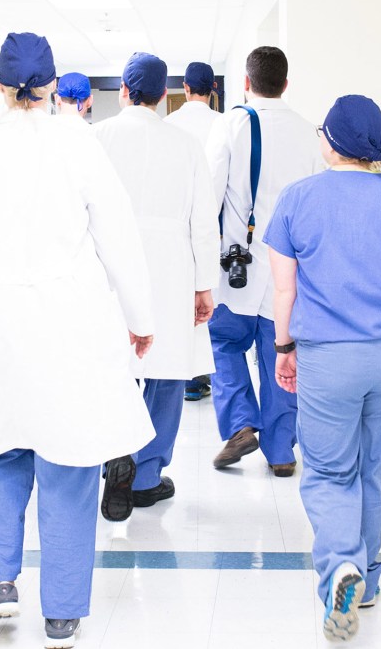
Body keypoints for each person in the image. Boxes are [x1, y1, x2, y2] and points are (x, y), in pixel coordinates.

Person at [0, 32, 156, 649]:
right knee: (69, 465)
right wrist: (141, 317)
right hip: (68, 327)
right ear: (52, 87)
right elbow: (119, 236)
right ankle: (62, 612)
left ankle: (2, 582)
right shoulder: (79, 147)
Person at [263, 95, 381, 642]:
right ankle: (365, 581)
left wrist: (283, 348)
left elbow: (283, 289)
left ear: (333, 142)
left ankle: (341, 566)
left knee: (327, 472)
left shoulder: (298, 199)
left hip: (329, 361)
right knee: (370, 469)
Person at [94, 52, 219, 520]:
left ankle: (111, 456)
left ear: (124, 92)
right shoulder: (186, 144)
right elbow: (204, 223)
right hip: (171, 267)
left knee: (112, 366)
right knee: (166, 372)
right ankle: (145, 477)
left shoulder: (97, 139)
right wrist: (205, 286)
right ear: (164, 96)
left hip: (109, 265)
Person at [205, 46, 324, 477]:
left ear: (247, 83)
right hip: (289, 274)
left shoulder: (232, 124)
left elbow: (209, 195)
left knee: (222, 344)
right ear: (286, 84)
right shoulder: (311, 133)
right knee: (283, 354)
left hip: (236, 268)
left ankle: (241, 424)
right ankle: (281, 452)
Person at [164, 60, 221, 402]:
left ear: (184, 88)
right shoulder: (225, 123)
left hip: (177, 228)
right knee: (212, 302)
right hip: (214, 226)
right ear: (213, 87)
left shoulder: (169, 125)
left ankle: (188, 378)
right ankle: (206, 376)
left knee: (182, 303)